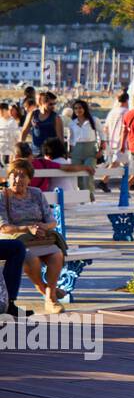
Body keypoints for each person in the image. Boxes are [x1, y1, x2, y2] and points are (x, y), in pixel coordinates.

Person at [0, 159, 66, 314]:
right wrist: (28, 229)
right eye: (14, 175)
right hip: (14, 237)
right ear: (8, 178)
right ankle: (50, 295)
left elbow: (51, 221)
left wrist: (43, 226)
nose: (17, 179)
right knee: (31, 259)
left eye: (22, 176)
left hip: (39, 237)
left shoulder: (36, 193)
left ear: (30, 179)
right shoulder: (3, 196)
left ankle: (50, 297)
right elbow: (3, 226)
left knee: (57, 255)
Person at [66, 99, 102, 199]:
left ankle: (90, 196)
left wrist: (101, 150)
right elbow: (70, 139)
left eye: (80, 107)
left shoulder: (94, 120)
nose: (78, 110)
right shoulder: (72, 123)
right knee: (78, 178)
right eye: (76, 108)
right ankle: (82, 198)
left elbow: (102, 136)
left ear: (85, 108)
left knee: (88, 174)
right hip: (76, 151)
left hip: (90, 150)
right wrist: (69, 152)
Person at [98, 92, 129, 193]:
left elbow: (105, 127)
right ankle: (104, 181)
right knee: (117, 163)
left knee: (124, 163)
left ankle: (130, 184)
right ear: (127, 100)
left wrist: (106, 140)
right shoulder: (126, 112)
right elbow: (126, 129)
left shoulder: (112, 112)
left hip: (112, 141)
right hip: (122, 142)